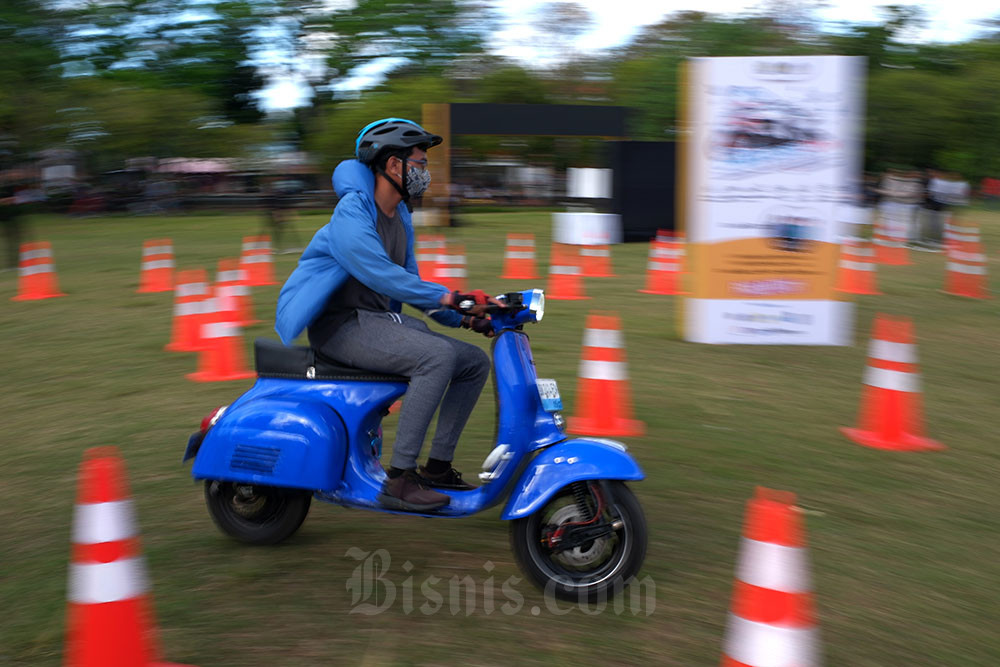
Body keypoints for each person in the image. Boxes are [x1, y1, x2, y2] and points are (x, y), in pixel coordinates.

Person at [275, 118, 499, 513]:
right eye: (420, 163)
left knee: (472, 362)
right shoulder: (352, 212)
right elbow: (381, 273)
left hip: (377, 324)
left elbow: (411, 284)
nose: (426, 173)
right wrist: (452, 298)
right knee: (437, 357)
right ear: (394, 166)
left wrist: (466, 316)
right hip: (340, 327)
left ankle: (437, 468)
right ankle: (399, 479)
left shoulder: (401, 217)